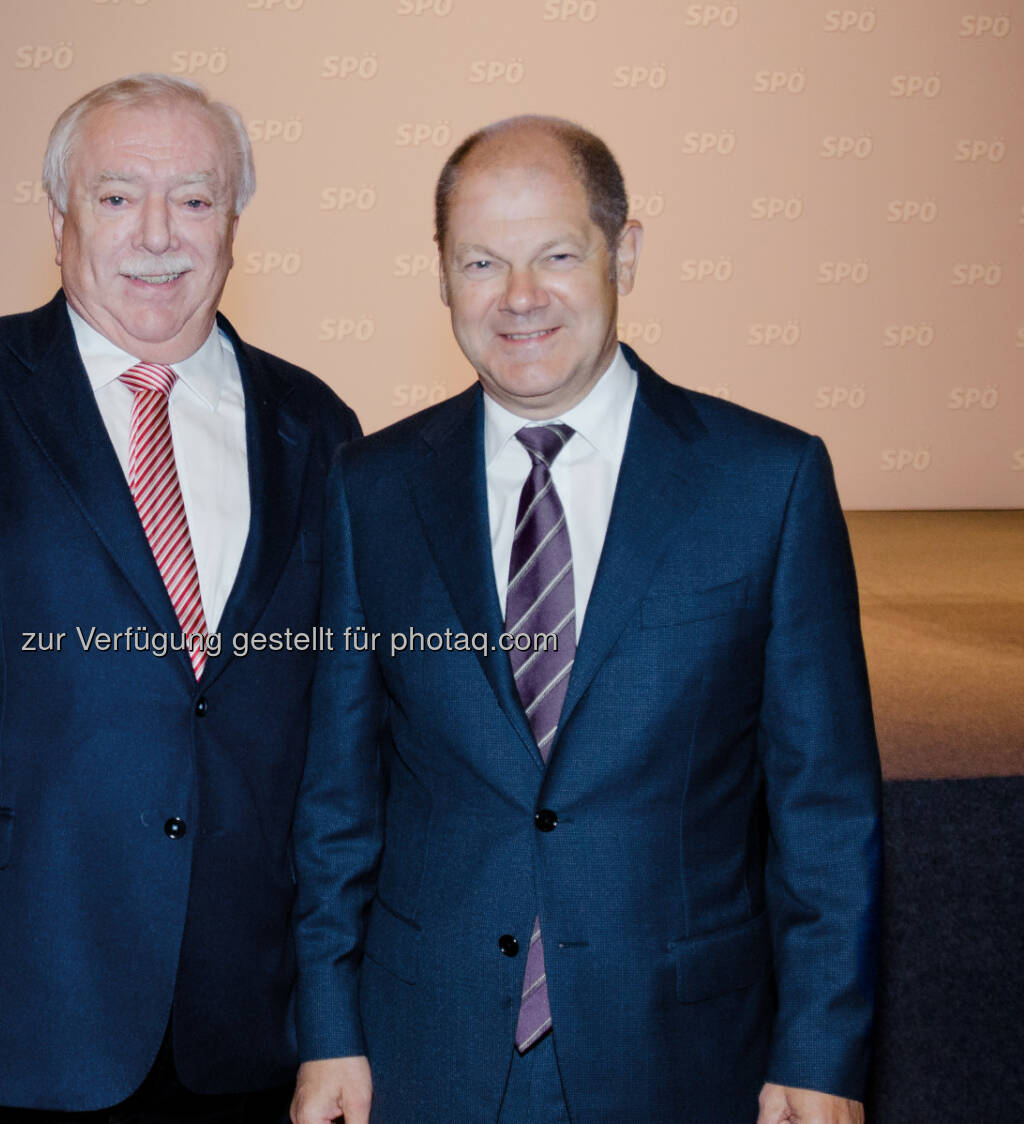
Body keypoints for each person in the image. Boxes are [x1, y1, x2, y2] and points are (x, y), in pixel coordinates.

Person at [0, 73, 359, 1120]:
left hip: (234, 1024)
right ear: (58, 219)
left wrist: (337, 1008)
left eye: (195, 198)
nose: (158, 235)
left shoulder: (319, 427)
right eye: (117, 195)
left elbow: (340, 740)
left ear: (234, 223)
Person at [289, 116, 880, 1124]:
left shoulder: (766, 483)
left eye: (558, 254)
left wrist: (822, 1052)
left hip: (682, 1049)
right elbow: (338, 799)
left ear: (628, 252)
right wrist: (328, 1029)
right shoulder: (369, 489)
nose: (520, 297)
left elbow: (825, 809)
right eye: (481, 260)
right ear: (441, 277)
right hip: (422, 1050)